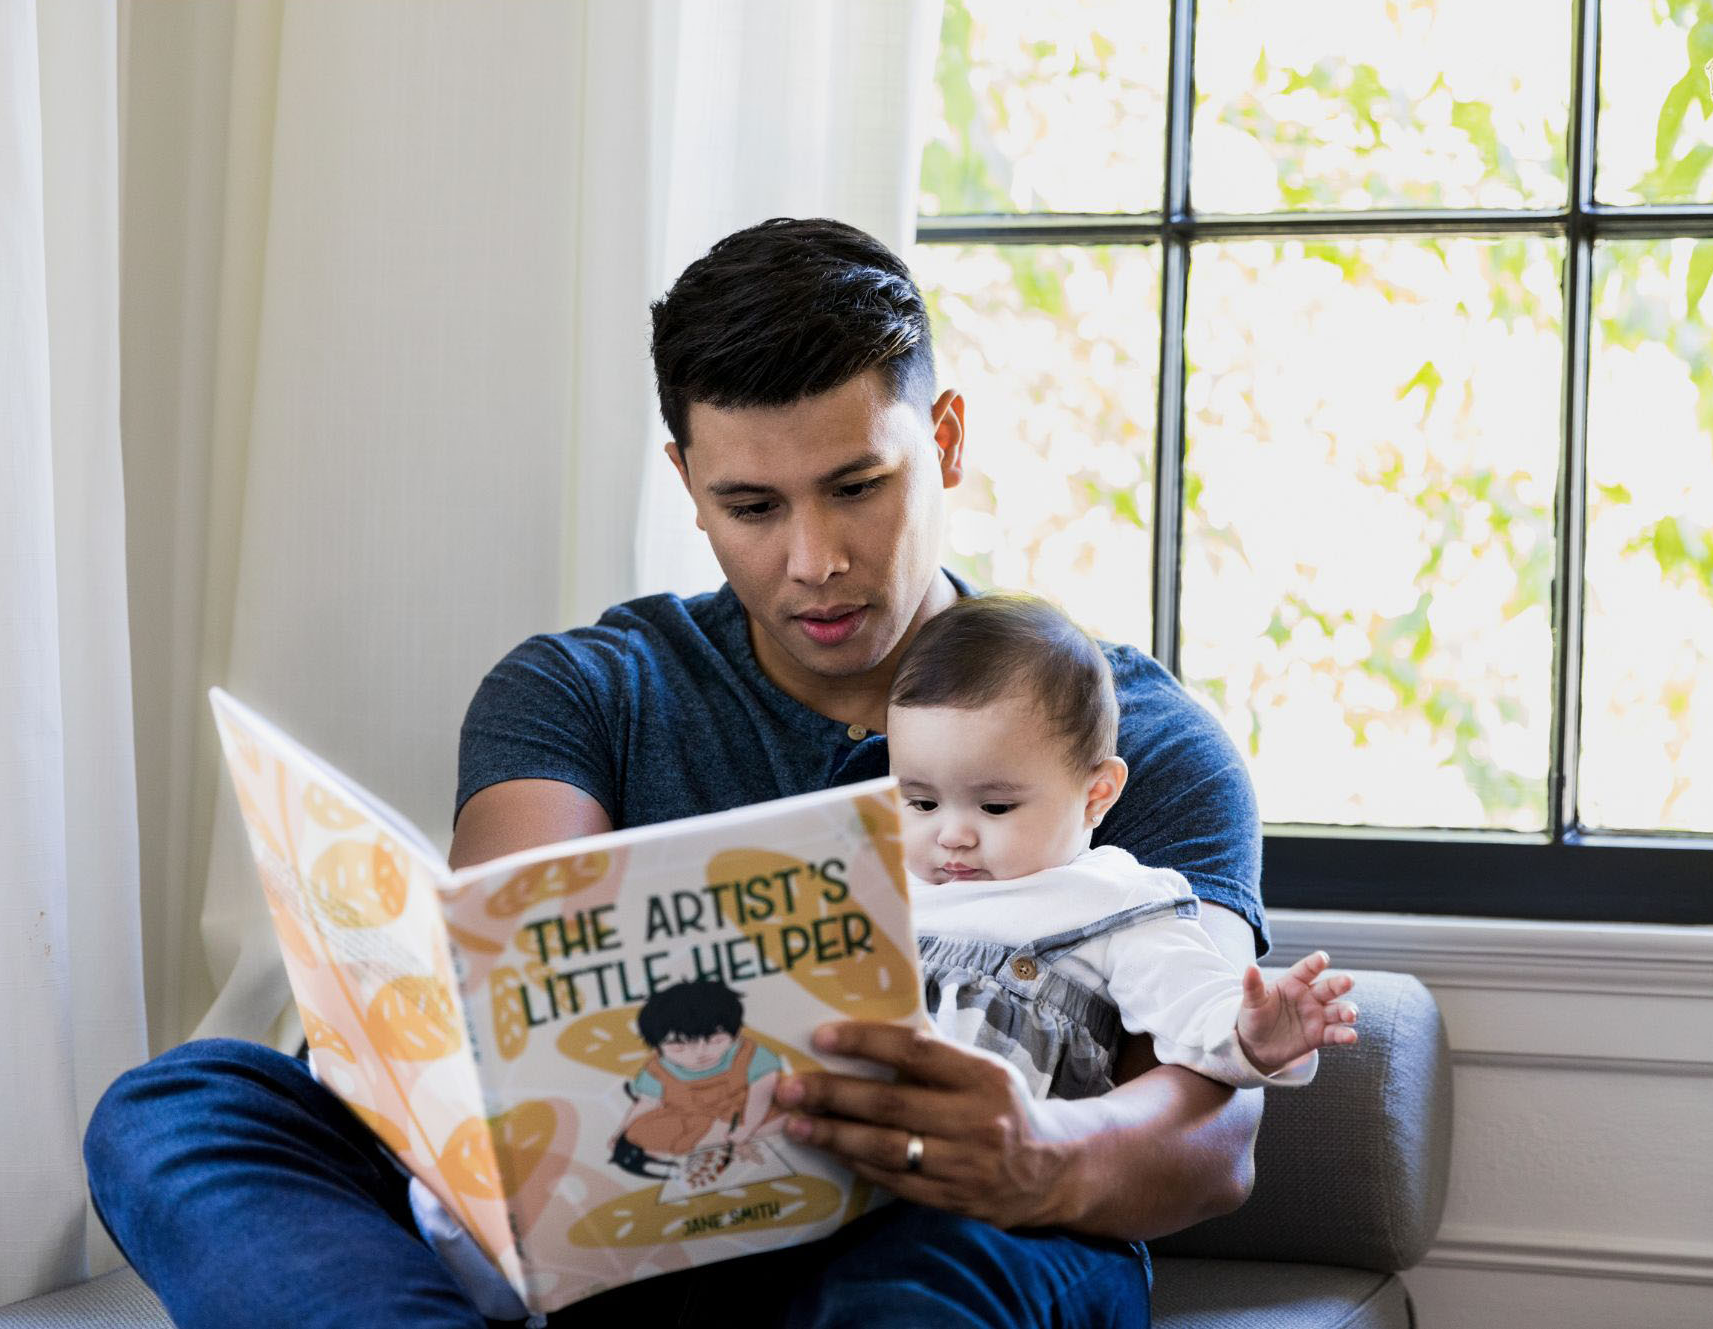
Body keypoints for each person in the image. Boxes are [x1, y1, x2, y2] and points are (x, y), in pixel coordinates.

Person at [83, 216, 1269, 1328]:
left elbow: (1215, 1138)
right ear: (685, 482)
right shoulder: (584, 689)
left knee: (949, 1261)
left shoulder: (1125, 742)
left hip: (943, 1220)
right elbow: (503, 989)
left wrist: (1033, 1153)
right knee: (180, 1110)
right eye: (749, 505)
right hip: (623, 1205)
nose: (815, 560)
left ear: (943, 441)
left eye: (857, 487)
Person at [887, 592, 1357, 1103]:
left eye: (995, 808)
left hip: (997, 1165)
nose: (952, 835)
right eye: (921, 803)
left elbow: (1193, 1006)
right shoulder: (879, 887)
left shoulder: (1113, 903)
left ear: (1097, 794)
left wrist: (1254, 1032)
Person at [610, 979, 786, 1178]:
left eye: (715, 1041)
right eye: (679, 1047)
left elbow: (761, 1093)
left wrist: (747, 1128)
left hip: (744, 1113)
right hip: (694, 1121)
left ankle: (727, 1140)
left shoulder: (750, 1054)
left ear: (735, 1032)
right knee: (639, 1131)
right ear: (657, 1045)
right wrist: (621, 1132)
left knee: (785, 1111)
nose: (700, 1053)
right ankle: (716, 1142)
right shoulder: (657, 1069)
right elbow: (647, 1103)